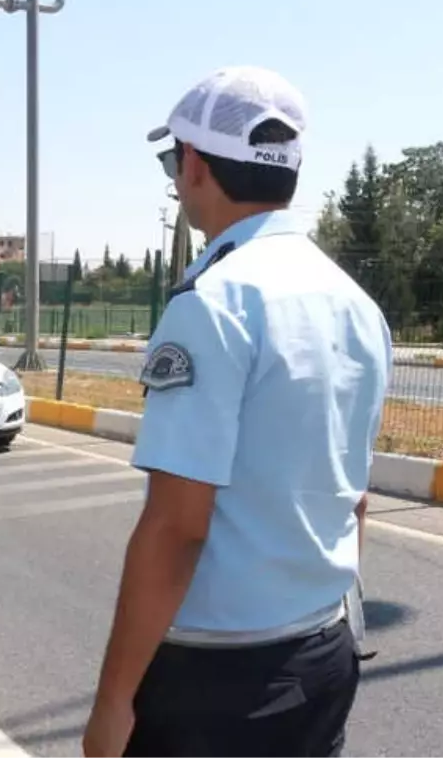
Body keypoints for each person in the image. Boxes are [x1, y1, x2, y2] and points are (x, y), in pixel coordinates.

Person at [82, 66, 392, 758]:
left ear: (193, 165)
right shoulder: (357, 306)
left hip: (217, 682)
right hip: (325, 649)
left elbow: (176, 528)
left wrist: (111, 703)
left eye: (172, 160)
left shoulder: (212, 305)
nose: (174, 175)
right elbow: (356, 496)